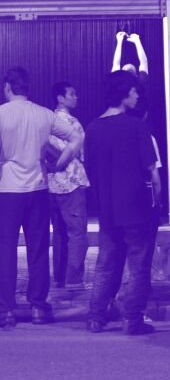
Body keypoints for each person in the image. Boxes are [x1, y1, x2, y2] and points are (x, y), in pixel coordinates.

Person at [0, 67, 83, 329]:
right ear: (27, 88)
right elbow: (76, 137)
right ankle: (37, 306)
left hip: (8, 190)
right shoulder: (44, 114)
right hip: (37, 188)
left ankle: (6, 310)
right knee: (37, 249)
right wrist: (59, 164)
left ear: (8, 88)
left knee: (5, 250)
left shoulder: (1, 115)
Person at [85, 71, 161, 336]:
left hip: (107, 206)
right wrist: (157, 201)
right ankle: (133, 319)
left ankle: (96, 317)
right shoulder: (137, 126)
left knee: (106, 263)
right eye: (134, 91)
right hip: (137, 206)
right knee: (138, 266)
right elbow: (151, 169)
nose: (137, 95)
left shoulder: (92, 129)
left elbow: (90, 169)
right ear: (125, 93)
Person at [48, 82, 90, 290]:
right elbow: (78, 154)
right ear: (60, 98)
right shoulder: (72, 123)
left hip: (52, 183)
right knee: (77, 233)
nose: (76, 97)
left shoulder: (46, 121)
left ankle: (59, 277)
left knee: (59, 234)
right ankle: (74, 280)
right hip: (72, 182)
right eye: (72, 94)